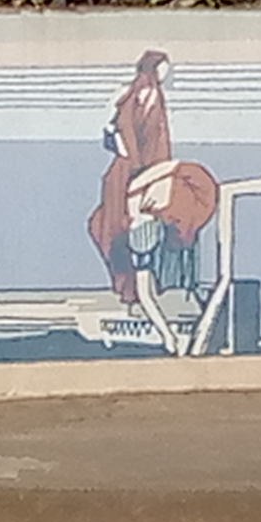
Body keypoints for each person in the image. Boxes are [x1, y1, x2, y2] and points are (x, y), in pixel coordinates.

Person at [87, 50, 183, 346]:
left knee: (119, 233)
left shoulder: (135, 96)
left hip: (135, 175)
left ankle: (139, 303)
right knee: (126, 235)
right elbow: (136, 140)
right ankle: (155, 320)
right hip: (137, 176)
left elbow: (117, 134)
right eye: (163, 68)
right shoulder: (146, 96)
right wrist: (147, 174)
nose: (166, 74)